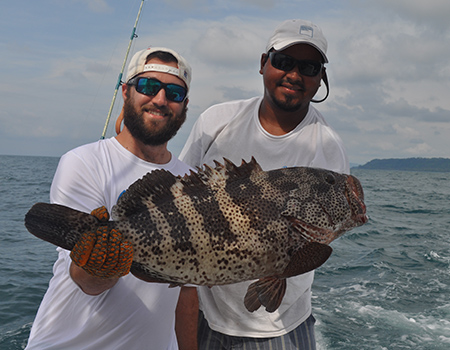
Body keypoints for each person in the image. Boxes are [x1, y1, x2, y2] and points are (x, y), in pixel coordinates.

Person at [179, 19, 349, 349]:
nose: (295, 75)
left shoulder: (327, 146)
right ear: (263, 64)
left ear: (320, 79)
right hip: (199, 308)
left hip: (278, 326)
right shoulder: (217, 121)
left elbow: (314, 240)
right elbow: (182, 192)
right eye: (284, 62)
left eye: (309, 67)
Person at [26, 47, 198, 350]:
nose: (160, 99)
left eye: (173, 92)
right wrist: (101, 260)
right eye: (147, 86)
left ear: (184, 105)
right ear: (125, 92)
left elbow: (185, 293)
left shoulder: (192, 183)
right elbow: (86, 282)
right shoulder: (84, 162)